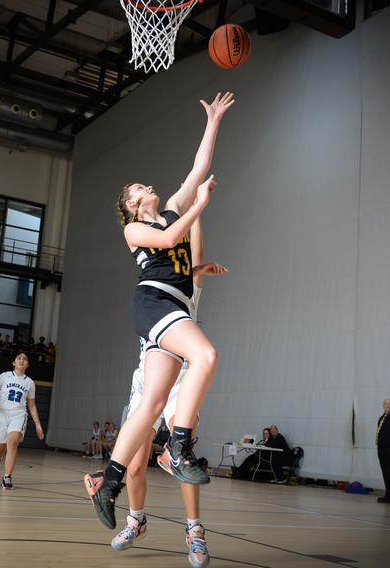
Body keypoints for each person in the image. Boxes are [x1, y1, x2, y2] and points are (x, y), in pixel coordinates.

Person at [85, 92, 234, 531]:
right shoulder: (135, 228)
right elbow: (169, 243)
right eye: (137, 189)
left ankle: (108, 482)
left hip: (168, 306)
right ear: (131, 205)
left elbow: (197, 169)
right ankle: (180, 447)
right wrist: (201, 205)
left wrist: (213, 121)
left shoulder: (169, 209)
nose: (146, 187)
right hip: (155, 304)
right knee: (205, 356)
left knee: (149, 405)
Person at [110, 215, 228, 568]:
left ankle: (194, 531)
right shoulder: (154, 283)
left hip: (180, 378)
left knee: (184, 458)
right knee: (134, 464)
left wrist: (196, 211)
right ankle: (136, 520)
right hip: (147, 376)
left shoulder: (188, 285)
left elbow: (196, 251)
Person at [0, 351, 44, 490]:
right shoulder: (4, 376)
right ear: (14, 362)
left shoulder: (30, 383)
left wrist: (38, 424)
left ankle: (7, 477)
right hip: (1, 414)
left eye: (25, 359)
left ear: (27, 364)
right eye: (19, 358)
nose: (22, 360)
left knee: (12, 443)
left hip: (18, 415)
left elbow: (31, 404)